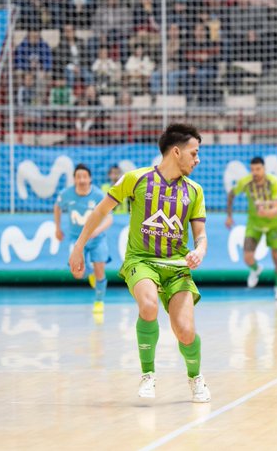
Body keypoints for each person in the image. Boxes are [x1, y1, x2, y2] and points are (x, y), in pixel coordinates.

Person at [68, 123, 211, 403]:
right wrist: (78, 246)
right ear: (176, 151)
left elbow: (201, 234)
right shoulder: (136, 179)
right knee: (148, 305)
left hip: (175, 265)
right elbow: (100, 211)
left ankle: (195, 377)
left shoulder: (194, 191)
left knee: (185, 331)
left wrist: (200, 250)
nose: (198, 159)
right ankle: (148, 374)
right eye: (194, 153)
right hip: (141, 260)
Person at [54, 164, 112, 315]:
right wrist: (57, 228)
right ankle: (89, 273)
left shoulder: (99, 195)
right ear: (74, 179)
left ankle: (99, 301)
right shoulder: (66, 194)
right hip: (76, 239)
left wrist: (97, 230)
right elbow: (57, 207)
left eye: (84, 176)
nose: (81, 180)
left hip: (97, 239)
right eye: (78, 176)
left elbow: (109, 218)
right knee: (77, 273)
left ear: (90, 178)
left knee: (101, 269)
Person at [226, 156, 277, 301]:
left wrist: (266, 212)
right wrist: (229, 216)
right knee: (247, 257)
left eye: (258, 169)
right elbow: (231, 194)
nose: (255, 172)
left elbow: (276, 209)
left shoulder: (274, 182)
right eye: (252, 169)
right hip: (254, 225)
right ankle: (256, 269)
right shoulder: (245, 182)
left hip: (274, 224)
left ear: (264, 169)